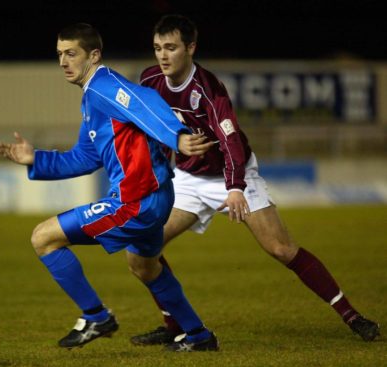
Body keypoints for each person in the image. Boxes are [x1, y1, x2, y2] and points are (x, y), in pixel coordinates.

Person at [129, 14, 380, 346]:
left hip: (233, 175)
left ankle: (353, 316)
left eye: (171, 48)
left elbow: (230, 141)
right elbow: (140, 120)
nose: (163, 55)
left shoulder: (208, 89)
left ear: (191, 47)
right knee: (143, 250)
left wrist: (234, 187)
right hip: (188, 178)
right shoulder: (149, 80)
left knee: (280, 248)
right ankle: (174, 324)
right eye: (158, 48)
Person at [0, 23, 219, 352]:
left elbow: (145, 102)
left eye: (71, 53)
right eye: (59, 55)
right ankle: (199, 336)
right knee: (144, 266)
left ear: (94, 55)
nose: (63, 62)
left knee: (43, 238)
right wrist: (35, 159)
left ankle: (95, 316)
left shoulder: (104, 86)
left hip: (136, 201)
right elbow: (84, 157)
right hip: (153, 197)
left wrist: (177, 136)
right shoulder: (92, 99)